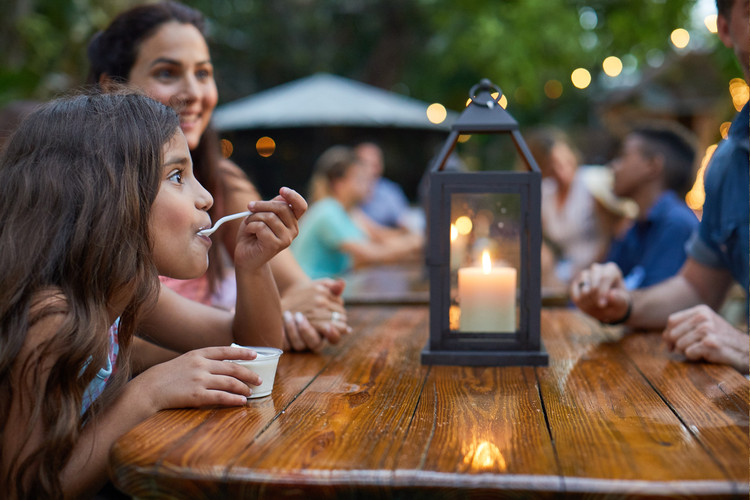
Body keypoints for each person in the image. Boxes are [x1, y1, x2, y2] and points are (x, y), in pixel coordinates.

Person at [0, 91, 306, 498]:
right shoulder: (48, 315)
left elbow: (254, 349)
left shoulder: (128, 287)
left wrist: (253, 267)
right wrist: (146, 393)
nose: (207, 198)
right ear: (105, 196)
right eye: (177, 176)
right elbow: (22, 491)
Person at [87, 0, 348, 353]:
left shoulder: (222, 179)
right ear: (112, 87)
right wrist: (278, 315)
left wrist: (300, 310)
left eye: (203, 73)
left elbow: (305, 297)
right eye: (167, 72)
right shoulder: (95, 214)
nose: (193, 93)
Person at [571, 0, 749, 373]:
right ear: (727, 29)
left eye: (625, 155)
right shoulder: (729, 165)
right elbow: (697, 289)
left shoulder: (673, 220)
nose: (614, 166)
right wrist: (625, 305)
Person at [291, 145, 423, 279]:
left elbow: (380, 237)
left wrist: (414, 240)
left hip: (325, 289)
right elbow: (373, 254)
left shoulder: (350, 212)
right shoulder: (328, 210)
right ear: (339, 183)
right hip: (311, 291)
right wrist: (415, 243)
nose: (368, 184)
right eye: (359, 179)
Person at [603, 122, 699, 289]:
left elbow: (653, 306)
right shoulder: (637, 225)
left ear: (652, 165)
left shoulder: (677, 224)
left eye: (623, 156)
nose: (613, 166)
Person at [526, 126, 609, 285]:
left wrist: (584, 272)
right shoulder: (546, 192)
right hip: (566, 271)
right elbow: (538, 237)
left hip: (596, 272)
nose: (560, 170)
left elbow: (610, 238)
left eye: (563, 162)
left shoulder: (592, 182)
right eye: (552, 165)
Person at [355, 141, 411, 229]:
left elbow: (407, 226)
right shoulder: (344, 190)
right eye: (365, 165)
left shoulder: (390, 191)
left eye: (374, 165)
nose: (370, 171)